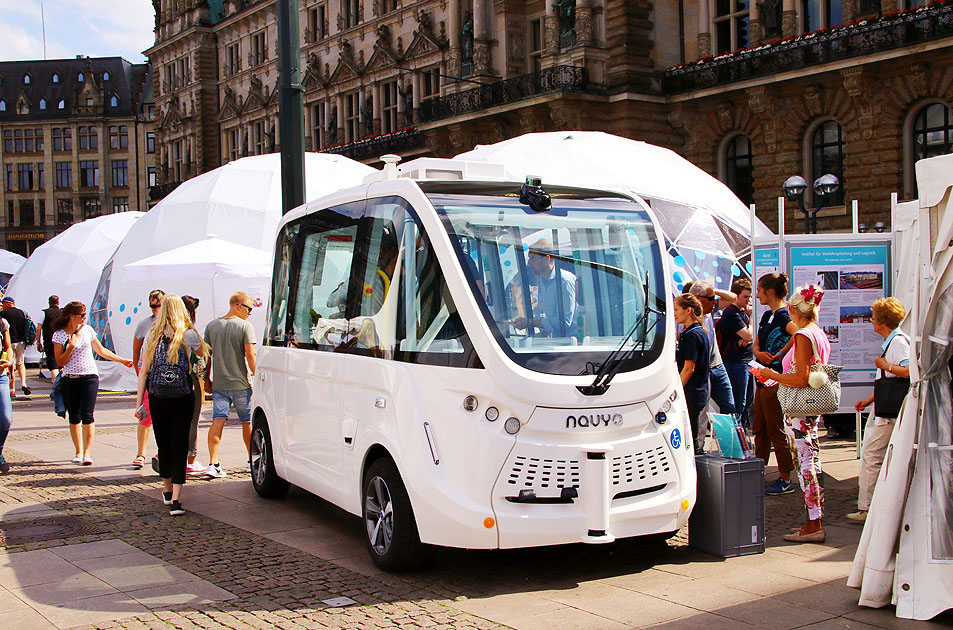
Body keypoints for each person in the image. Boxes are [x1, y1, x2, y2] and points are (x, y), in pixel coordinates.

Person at [757, 284, 831, 543]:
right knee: (811, 461)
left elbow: (801, 377)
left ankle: (814, 523)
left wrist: (772, 375)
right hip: (810, 407)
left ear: (792, 309)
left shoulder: (803, 336)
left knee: (806, 463)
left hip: (801, 407)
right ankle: (814, 520)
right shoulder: (817, 333)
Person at [136, 295, 207, 516]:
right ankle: (176, 499)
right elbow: (202, 361)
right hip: (183, 396)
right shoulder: (189, 335)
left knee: (163, 443)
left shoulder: (152, 335)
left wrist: (139, 403)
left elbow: (144, 372)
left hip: (157, 397)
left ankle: (166, 490)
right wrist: (199, 370)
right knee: (179, 445)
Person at [850, 297, 910, 522]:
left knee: (872, 454)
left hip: (889, 412)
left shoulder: (897, 343)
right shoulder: (896, 341)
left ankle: (867, 507)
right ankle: (873, 505)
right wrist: (869, 399)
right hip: (887, 406)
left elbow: (908, 370)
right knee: (878, 454)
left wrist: (885, 365)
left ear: (883, 321)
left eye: (874, 318)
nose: (871, 321)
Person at [52, 301, 134, 465]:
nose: (84, 318)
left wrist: (122, 360)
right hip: (70, 378)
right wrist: (71, 345)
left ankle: (87, 453)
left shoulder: (88, 330)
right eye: (82, 315)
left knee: (88, 414)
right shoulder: (60, 335)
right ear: (71, 316)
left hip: (89, 376)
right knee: (74, 416)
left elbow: (101, 350)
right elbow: (60, 361)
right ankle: (78, 451)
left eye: (85, 315)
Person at [752, 273, 799, 496]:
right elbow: (757, 342)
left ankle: (785, 477)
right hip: (761, 378)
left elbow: (798, 334)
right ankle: (758, 472)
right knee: (760, 427)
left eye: (760, 290)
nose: (757, 294)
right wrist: (757, 352)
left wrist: (779, 354)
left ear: (770, 292)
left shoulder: (782, 315)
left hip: (775, 379)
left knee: (775, 428)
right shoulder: (767, 316)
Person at [204, 291, 257, 478]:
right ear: (238, 306)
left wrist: (206, 379)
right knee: (247, 423)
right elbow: (250, 354)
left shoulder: (211, 326)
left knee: (218, 421)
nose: (250, 313)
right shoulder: (245, 327)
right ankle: (253, 460)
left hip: (219, 383)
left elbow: (207, 356)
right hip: (241, 383)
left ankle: (213, 462)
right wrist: (257, 374)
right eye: (249, 308)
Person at [686, 281, 735, 416]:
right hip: (700, 369)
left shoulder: (710, 311)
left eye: (715, 298)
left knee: (729, 407)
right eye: (711, 299)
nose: (715, 302)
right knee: (701, 412)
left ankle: (729, 436)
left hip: (716, 366)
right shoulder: (686, 317)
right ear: (697, 299)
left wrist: (712, 291)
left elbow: (732, 297)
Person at [512, 239, 577, 338]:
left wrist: (530, 322)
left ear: (546, 259)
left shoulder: (564, 281)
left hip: (569, 342)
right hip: (556, 339)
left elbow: (564, 321)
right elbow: (549, 317)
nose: (529, 263)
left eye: (532, 258)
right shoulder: (543, 280)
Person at [131, 289, 165, 470]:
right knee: (145, 414)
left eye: (158, 305)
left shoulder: (171, 323)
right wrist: (140, 372)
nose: (155, 309)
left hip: (166, 376)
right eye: (152, 306)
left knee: (164, 416)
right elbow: (136, 349)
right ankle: (140, 453)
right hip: (150, 373)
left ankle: (162, 451)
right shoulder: (145, 324)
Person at [674, 293, 711, 454]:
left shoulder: (692, 335)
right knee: (692, 435)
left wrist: (676, 391)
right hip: (698, 391)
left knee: (691, 438)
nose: (674, 314)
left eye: (677, 309)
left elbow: (689, 368)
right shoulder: (698, 331)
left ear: (688, 310)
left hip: (691, 392)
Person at [718, 278, 754, 427]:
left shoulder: (741, 313)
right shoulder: (732, 313)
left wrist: (749, 337)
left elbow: (750, 336)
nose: (748, 300)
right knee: (738, 403)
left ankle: (740, 433)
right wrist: (751, 321)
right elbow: (749, 335)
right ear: (736, 295)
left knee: (746, 401)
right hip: (735, 364)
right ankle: (736, 434)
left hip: (745, 362)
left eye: (750, 297)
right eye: (745, 297)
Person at [182, 295, 207, 475]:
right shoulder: (189, 332)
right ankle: (190, 459)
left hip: (168, 381)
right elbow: (202, 353)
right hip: (189, 379)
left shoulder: (163, 330)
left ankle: (167, 456)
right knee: (192, 420)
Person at [1, 296, 31, 397]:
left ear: (7, 303)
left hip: (9, 343)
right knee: (21, 363)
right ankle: (23, 383)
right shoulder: (21, 312)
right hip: (21, 342)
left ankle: (12, 390)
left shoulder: (3, 314)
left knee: (10, 365)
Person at [37, 295, 63, 382]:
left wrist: (38, 342)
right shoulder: (62, 313)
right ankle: (63, 382)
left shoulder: (44, 313)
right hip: (62, 341)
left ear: (49, 303)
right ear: (58, 302)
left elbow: (38, 328)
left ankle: (55, 383)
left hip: (49, 341)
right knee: (61, 363)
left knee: (53, 363)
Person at [0, 315, 13, 473]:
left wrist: (9, 361)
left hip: (1, 376)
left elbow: (8, 347)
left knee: (6, 419)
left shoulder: (2, 322)